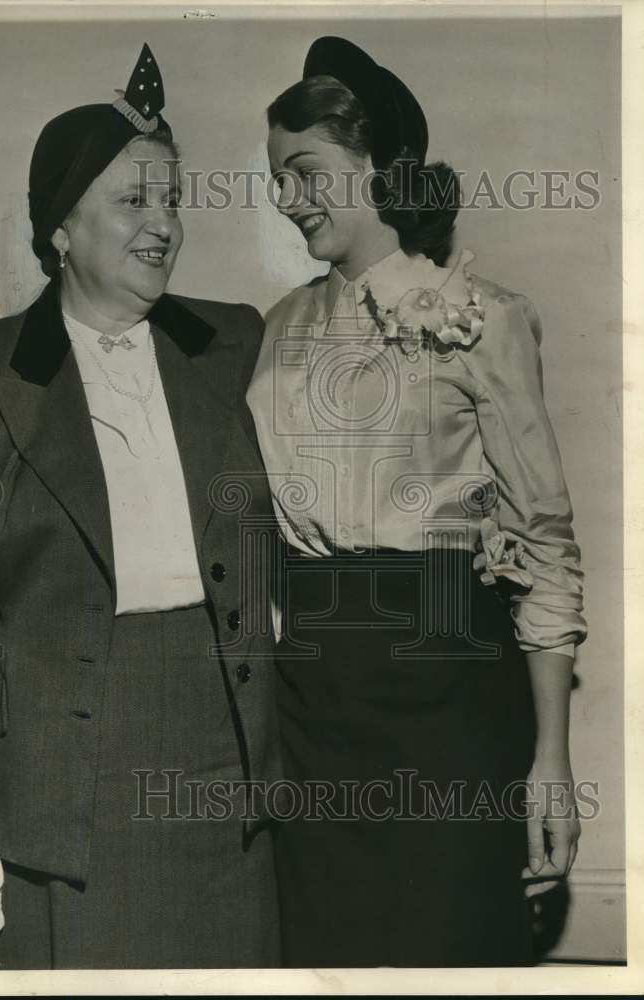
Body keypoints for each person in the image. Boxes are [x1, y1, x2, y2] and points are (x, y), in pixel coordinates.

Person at [0, 44, 282, 970]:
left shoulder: (233, 341)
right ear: (62, 229)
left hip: (229, 762)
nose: (164, 224)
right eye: (133, 200)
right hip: (67, 782)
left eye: (173, 199)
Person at [246, 36, 587, 968]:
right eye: (276, 179)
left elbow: (547, 544)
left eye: (306, 173)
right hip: (313, 700)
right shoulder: (272, 333)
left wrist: (549, 763)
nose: (286, 199)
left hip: (450, 696)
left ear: (375, 169)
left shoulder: (487, 315)